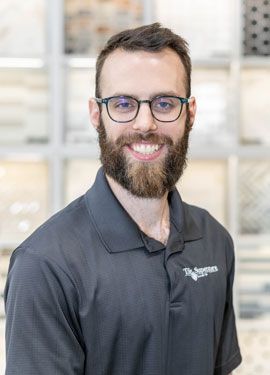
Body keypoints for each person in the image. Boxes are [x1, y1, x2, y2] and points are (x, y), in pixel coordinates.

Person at [4, 23, 242, 375]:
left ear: (190, 113)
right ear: (96, 114)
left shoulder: (214, 241)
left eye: (164, 103)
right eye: (123, 103)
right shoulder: (45, 265)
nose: (145, 123)